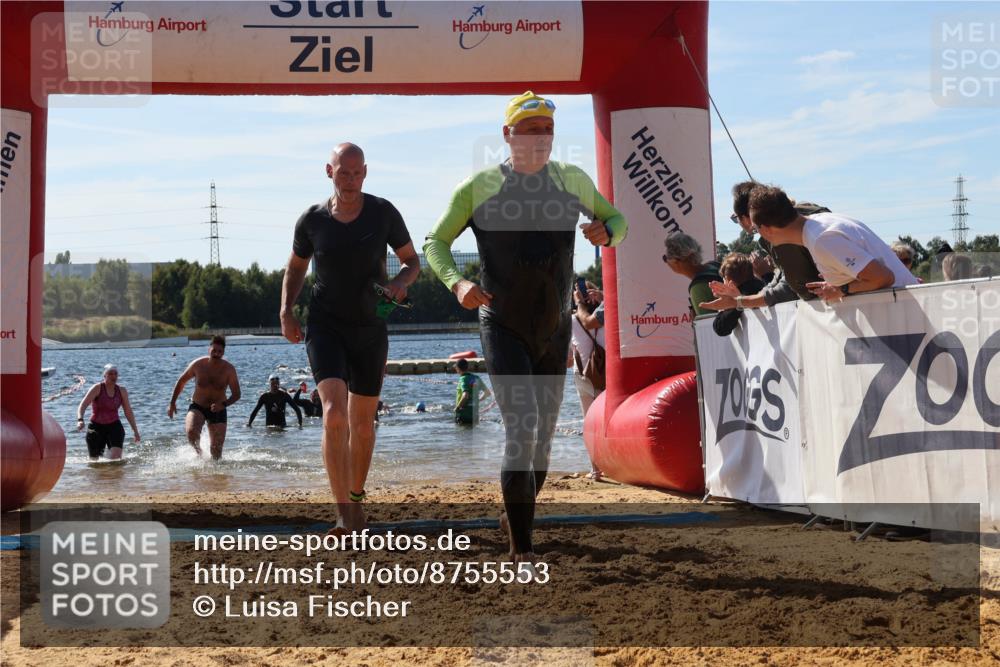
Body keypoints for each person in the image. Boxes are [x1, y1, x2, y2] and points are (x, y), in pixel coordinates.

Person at [424, 91, 627, 564]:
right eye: (530, 130)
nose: (540, 139)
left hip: (555, 328)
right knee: (523, 427)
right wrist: (457, 283)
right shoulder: (478, 187)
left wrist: (607, 232)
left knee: (545, 436)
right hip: (502, 323)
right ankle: (522, 548)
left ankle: (516, 515)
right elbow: (436, 242)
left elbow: (617, 219)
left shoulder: (571, 180)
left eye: (547, 131)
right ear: (507, 135)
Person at [280, 142, 420, 531]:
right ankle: (343, 509)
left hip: (371, 327)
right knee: (334, 415)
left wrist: (399, 283)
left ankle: (357, 497)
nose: (351, 180)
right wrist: (286, 310)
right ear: (329, 171)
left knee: (362, 424)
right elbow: (295, 268)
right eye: (344, 172)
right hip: (325, 326)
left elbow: (413, 262)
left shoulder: (382, 212)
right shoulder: (312, 220)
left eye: (358, 173)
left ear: (366, 172)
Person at [748, 185, 917, 302]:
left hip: (904, 314)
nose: (758, 234)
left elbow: (883, 278)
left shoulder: (822, 240)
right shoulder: (820, 224)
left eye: (756, 229)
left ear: (767, 228)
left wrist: (840, 290)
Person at [701, 180, 826, 313]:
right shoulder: (803, 212)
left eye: (736, 218)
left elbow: (797, 287)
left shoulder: (781, 233)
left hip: (829, 312)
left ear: (748, 218)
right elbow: (784, 279)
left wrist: (739, 301)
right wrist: (744, 300)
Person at [167, 335, 241, 460]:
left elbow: (237, 394)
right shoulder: (198, 365)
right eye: (214, 351)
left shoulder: (229, 369)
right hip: (198, 406)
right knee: (191, 433)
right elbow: (181, 382)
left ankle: (215, 476)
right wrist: (172, 403)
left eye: (220, 352)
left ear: (223, 352)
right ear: (209, 350)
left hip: (218, 409)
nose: (216, 354)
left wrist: (222, 405)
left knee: (216, 451)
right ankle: (200, 456)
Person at [569, 280, 605, 480]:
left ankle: (595, 469)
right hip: (605, 374)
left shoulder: (573, 320)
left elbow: (567, 358)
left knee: (589, 423)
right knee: (605, 422)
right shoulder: (607, 315)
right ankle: (613, 463)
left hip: (583, 375)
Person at [76, 364, 140, 461]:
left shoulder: (121, 391)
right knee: (95, 462)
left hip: (114, 426)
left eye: (115, 374)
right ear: (104, 375)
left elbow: (128, 411)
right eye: (110, 374)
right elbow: (83, 405)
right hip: (96, 427)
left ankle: (112, 475)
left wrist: (135, 431)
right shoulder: (97, 388)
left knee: (115, 459)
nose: (113, 376)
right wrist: (80, 419)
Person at [662, 232, 720, 317]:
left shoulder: (698, 287)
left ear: (676, 261)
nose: (666, 261)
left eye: (665, 258)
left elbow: (708, 328)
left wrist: (696, 322)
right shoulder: (715, 265)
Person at [711, 253, 766, 337]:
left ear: (729, 281)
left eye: (724, 280)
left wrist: (727, 302)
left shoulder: (739, 298)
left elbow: (720, 328)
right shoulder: (763, 287)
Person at [454, 358, 491, 425]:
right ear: (467, 367)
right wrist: (478, 399)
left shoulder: (463, 379)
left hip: (464, 415)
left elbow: (465, 395)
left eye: (456, 368)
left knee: (462, 434)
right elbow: (488, 393)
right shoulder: (476, 378)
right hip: (475, 416)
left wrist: (458, 407)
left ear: (458, 369)